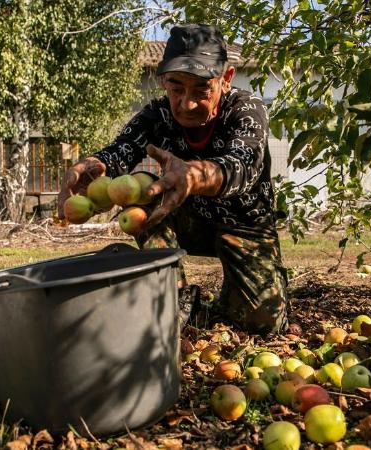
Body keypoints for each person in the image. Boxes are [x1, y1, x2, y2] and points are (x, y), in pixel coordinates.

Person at [58, 24, 287, 335]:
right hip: (184, 218)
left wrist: (193, 176)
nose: (186, 103)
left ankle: (220, 304)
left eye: (201, 89)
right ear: (163, 81)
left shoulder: (247, 110)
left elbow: (242, 165)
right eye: (176, 88)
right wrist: (94, 165)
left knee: (263, 324)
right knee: (142, 188)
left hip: (243, 224)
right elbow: (121, 149)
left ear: (226, 79)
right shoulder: (158, 115)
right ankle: (173, 294)